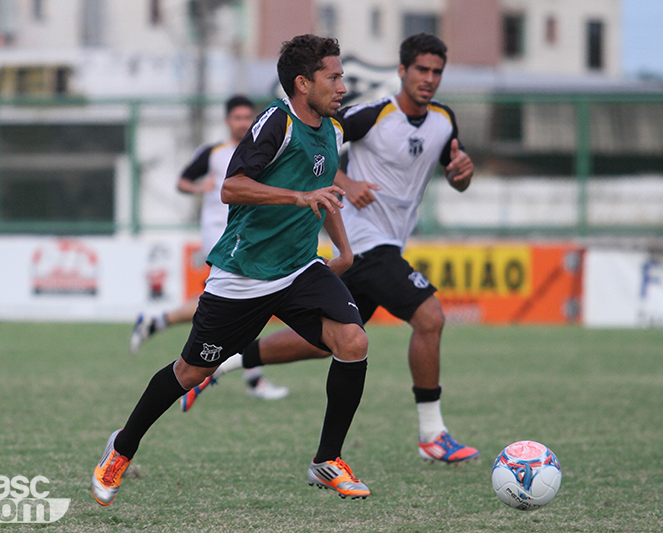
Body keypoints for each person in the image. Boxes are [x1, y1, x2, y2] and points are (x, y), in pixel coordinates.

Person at [92, 34, 371, 506]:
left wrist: (342, 251)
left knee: (351, 341)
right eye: (334, 77)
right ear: (303, 83)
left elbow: (325, 192)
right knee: (190, 371)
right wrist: (297, 197)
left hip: (300, 266)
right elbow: (232, 187)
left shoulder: (333, 128)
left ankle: (328, 460)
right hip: (244, 273)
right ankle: (120, 448)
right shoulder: (274, 124)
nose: (342, 85)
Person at [182, 33, 479, 465]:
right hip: (363, 239)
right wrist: (348, 183)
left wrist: (461, 175)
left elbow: (458, 176)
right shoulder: (371, 115)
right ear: (402, 71)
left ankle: (219, 367)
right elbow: (317, 148)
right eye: (421, 70)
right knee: (430, 316)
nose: (429, 79)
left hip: (382, 245)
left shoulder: (444, 121)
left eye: (437, 72)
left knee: (332, 343)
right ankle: (433, 434)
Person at [129, 95, 289, 402]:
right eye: (237, 118)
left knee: (224, 304)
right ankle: (250, 378)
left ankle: (155, 323)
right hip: (221, 238)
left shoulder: (263, 149)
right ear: (228, 121)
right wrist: (198, 188)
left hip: (248, 237)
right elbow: (182, 181)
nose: (243, 122)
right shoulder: (214, 153)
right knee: (245, 303)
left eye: (247, 117)